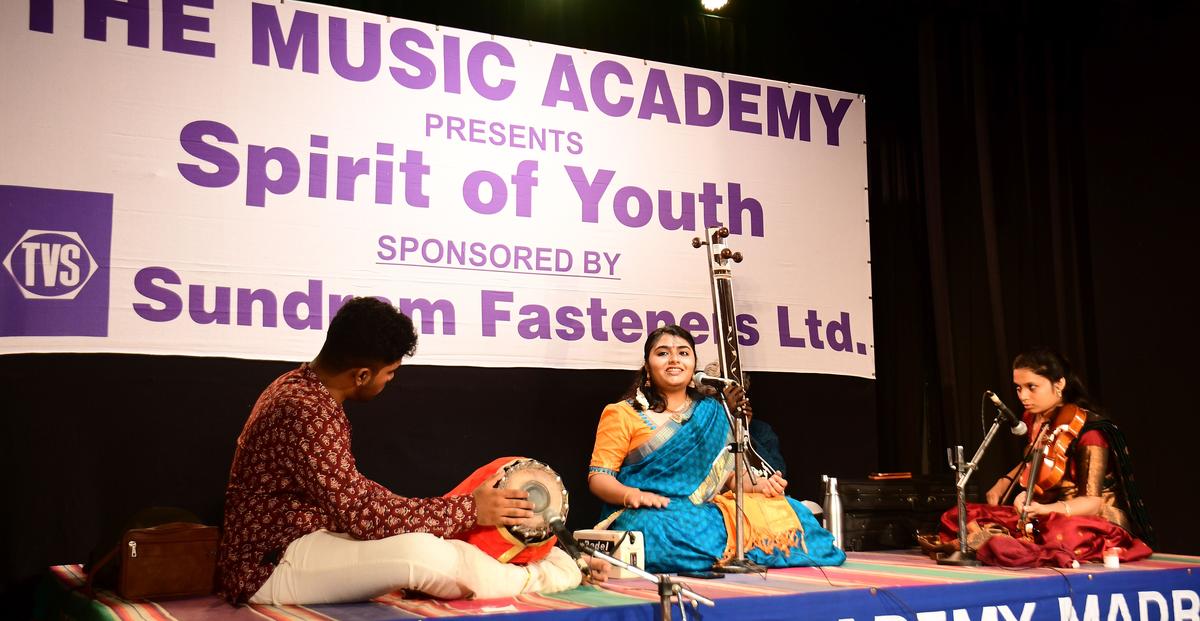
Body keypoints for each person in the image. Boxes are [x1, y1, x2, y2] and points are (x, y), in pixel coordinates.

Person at [217, 297, 605, 605]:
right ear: (362, 375)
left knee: (435, 544)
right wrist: (468, 509)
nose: (390, 381)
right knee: (424, 556)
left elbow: (356, 501)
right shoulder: (304, 409)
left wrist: (451, 516)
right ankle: (549, 576)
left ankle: (556, 560)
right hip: (269, 566)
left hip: (301, 542)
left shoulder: (301, 388)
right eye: (390, 373)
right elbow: (362, 513)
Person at [587, 325, 845, 573]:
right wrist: (633, 495)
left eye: (684, 353)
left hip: (701, 511)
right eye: (663, 353)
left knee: (791, 510)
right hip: (649, 513)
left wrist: (758, 486)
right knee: (656, 528)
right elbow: (599, 478)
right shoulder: (622, 413)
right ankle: (734, 550)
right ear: (647, 367)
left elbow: (727, 475)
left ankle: (729, 551)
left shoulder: (712, 412)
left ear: (694, 367)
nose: (674, 359)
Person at [935, 348, 1154, 567]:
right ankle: (1005, 543)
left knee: (1062, 535)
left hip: (1089, 519)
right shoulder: (1033, 419)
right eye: (1019, 388)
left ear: (1059, 385)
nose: (1023, 396)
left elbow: (1093, 503)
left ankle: (1003, 543)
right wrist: (1005, 481)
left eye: (1032, 387)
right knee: (959, 515)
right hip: (1044, 512)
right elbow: (1036, 460)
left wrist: (1045, 509)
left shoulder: (1090, 433)